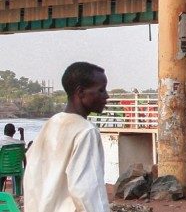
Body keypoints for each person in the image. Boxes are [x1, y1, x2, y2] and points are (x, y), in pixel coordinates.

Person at [23, 62, 110, 212]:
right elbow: (87, 191)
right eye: (101, 90)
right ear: (81, 92)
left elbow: (31, 174)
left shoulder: (51, 124)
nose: (106, 96)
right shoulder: (86, 131)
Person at [0, 124, 25, 191]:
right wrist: (22, 134)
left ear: (4, 131)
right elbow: (23, 150)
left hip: (2, 169)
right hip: (16, 169)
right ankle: (18, 194)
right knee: (17, 175)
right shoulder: (19, 144)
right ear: (14, 132)